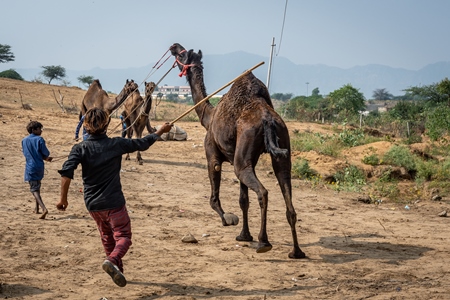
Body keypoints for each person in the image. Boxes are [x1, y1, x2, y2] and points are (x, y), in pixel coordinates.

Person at [56, 107, 172, 287]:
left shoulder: (80, 148)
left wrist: (63, 199)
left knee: (107, 237)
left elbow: (66, 173)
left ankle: (117, 270)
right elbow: (143, 143)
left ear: (85, 125)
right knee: (124, 236)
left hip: (93, 204)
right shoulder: (117, 144)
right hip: (114, 202)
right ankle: (112, 260)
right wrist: (160, 131)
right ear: (107, 124)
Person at [22, 121, 53, 219]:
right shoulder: (40, 139)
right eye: (40, 129)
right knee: (37, 187)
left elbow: (27, 154)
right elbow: (45, 153)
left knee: (34, 188)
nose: (41, 131)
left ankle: (44, 209)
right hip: (39, 166)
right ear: (34, 130)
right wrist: (46, 158)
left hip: (30, 167)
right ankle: (37, 209)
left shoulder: (24, 140)